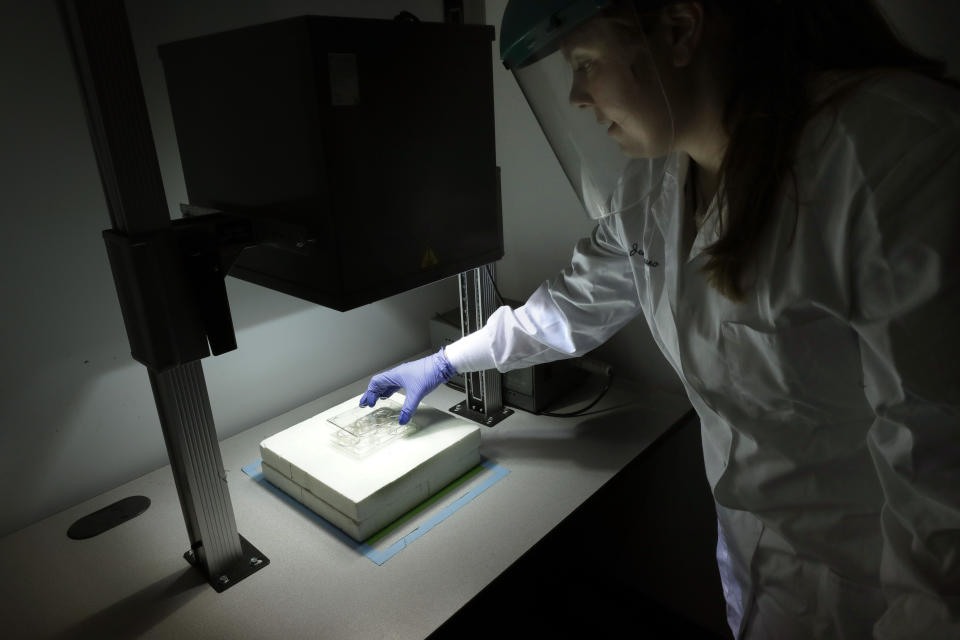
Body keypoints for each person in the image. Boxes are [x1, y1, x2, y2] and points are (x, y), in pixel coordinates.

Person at [361, 1, 960, 636]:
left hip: (876, 602)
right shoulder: (654, 187)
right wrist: (448, 359)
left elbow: (944, 501)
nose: (575, 95)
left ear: (678, 29)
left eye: (586, 63)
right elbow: (567, 308)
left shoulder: (895, 159)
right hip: (757, 580)